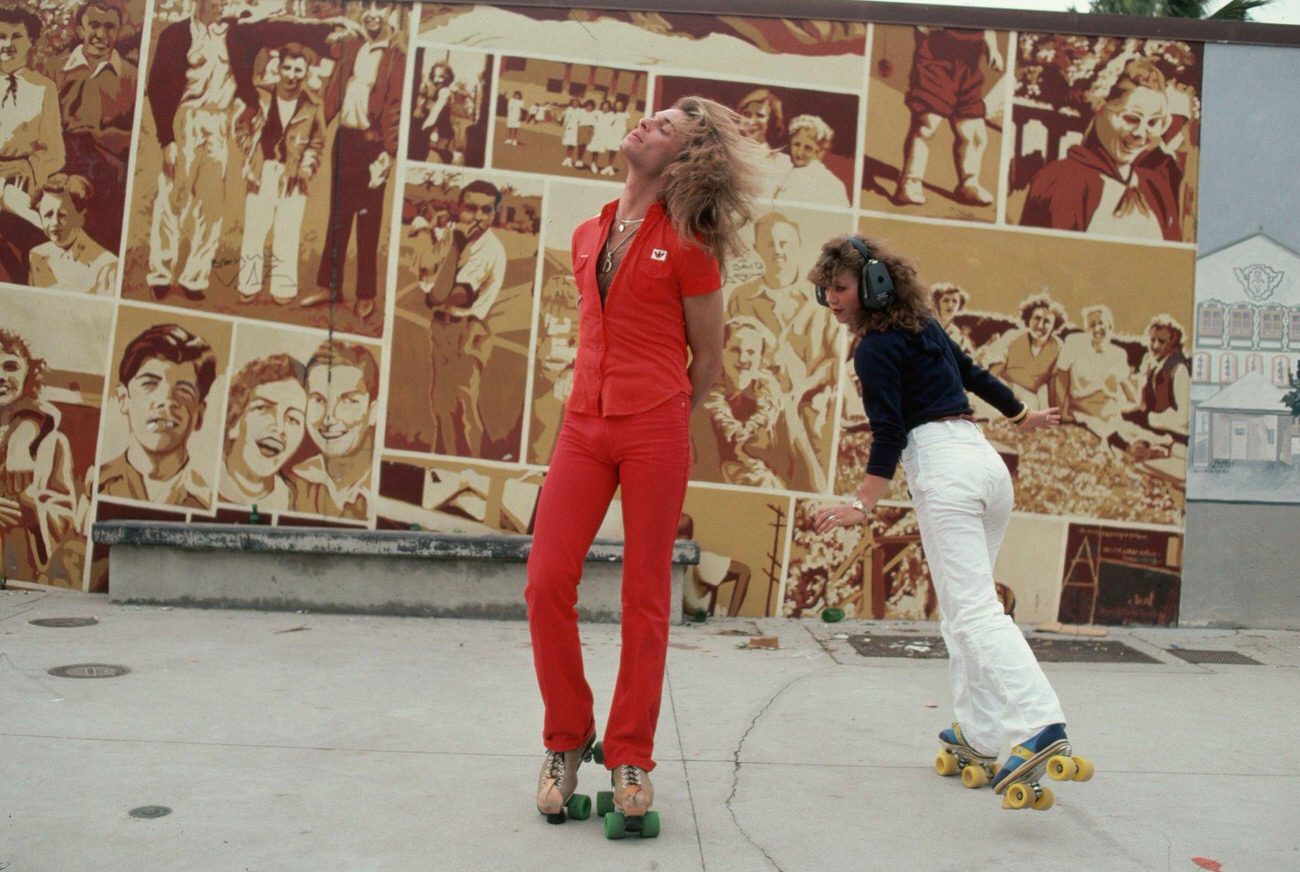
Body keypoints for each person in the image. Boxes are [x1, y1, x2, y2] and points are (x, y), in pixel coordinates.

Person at [525, 96, 764, 834]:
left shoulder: (692, 244)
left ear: (685, 158)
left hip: (654, 427)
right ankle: (568, 738)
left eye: (666, 127)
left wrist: (661, 415)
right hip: (583, 426)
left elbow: (712, 360)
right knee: (544, 582)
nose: (645, 124)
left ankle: (631, 752)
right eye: (652, 116)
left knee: (644, 600)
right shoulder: (587, 231)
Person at [808, 234, 1083, 808]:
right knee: (963, 613)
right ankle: (980, 734)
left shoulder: (874, 349)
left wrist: (861, 506)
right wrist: (1021, 413)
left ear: (875, 284)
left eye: (839, 288)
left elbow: (889, 432)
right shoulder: (923, 327)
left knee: (975, 612)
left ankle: (1039, 724)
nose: (831, 300)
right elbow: (973, 373)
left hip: (944, 472)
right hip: (986, 467)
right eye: (824, 290)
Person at [302, 0, 405, 320]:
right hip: (344, 141)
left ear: (392, 12)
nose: (373, 13)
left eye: (381, 6)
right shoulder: (351, 45)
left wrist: (390, 152)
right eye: (367, 5)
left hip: (374, 146)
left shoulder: (397, 54)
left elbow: (396, 104)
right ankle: (328, 286)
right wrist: (315, 129)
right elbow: (334, 91)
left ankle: (365, 294)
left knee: (368, 219)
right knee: (339, 214)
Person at [1020, 57, 1187, 241]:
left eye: (1153, 123)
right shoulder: (1061, 180)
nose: (1141, 133)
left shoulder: (1156, 186)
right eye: (1131, 119)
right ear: (1101, 110)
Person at [235, 42, 325, 305]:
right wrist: (248, 151)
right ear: (279, 67)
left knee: (287, 231)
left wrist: (306, 167)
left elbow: (317, 142)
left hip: (293, 175)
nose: (292, 75)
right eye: (287, 68)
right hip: (263, 172)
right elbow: (241, 125)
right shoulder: (261, 94)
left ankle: (283, 287)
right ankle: (248, 284)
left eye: (299, 70)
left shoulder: (312, 104)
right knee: (254, 229)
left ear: (307, 72)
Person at [47, 0, 137, 253]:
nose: (101, 35)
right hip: (61, 167)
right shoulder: (54, 69)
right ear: (79, 31)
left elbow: (139, 135)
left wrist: (105, 137)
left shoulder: (132, 77)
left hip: (108, 179)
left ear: (118, 32)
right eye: (93, 25)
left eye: (109, 27)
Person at [98, 324, 217, 508]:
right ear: (123, 398)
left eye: (184, 390)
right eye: (149, 384)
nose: (166, 400)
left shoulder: (210, 501)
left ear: (199, 414)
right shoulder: (93, 488)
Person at [427, 179, 506, 456]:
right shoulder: (451, 238)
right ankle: (445, 456)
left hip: (468, 328)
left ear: (494, 214)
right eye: (471, 208)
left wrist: (455, 247)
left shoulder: (489, 248)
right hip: (441, 326)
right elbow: (431, 291)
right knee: (441, 403)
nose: (479, 217)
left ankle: (472, 461)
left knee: (465, 408)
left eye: (487, 210)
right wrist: (453, 244)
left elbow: (443, 295)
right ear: (459, 208)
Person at [0, 329, 77, 583]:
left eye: (10, 366)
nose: (1, 376)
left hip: (23, 570)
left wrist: (34, 509)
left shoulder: (52, 442)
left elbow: (65, 513)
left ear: (28, 374)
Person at [895, 26, 1003, 207]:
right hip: (936, 58)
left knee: (974, 133)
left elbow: (988, 21)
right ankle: (910, 181)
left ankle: (969, 182)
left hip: (969, 63)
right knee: (927, 125)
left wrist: (992, 48)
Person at [0, 4, 64, 286]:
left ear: (32, 42)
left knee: (41, 242)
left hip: (21, 186)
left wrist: (26, 166)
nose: (7, 44)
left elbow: (56, 153)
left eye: (16, 37)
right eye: (1, 36)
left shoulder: (43, 88)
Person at [290, 340, 378, 519]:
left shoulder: (394, 484)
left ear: (373, 412)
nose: (329, 418)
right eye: (318, 400)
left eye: (348, 400)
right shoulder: (293, 481)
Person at [219, 354, 307, 510]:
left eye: (293, 419)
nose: (279, 427)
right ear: (234, 420)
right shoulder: (201, 483)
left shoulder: (296, 504)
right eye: (263, 408)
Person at [29, 173, 118, 295]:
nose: (55, 222)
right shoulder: (37, 255)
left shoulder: (108, 266)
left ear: (81, 217)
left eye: (63, 215)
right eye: (48, 215)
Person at [980, 291, 1067, 410]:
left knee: (1029, 411)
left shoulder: (1057, 346)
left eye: (1047, 321)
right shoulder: (1013, 337)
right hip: (1003, 385)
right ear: (1029, 319)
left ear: (1054, 326)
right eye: (1037, 318)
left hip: (1029, 394)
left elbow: (1053, 381)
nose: (1040, 325)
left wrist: (1054, 411)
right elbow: (995, 370)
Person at [735, 87, 792, 200]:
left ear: (772, 121)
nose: (752, 122)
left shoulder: (783, 163)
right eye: (747, 115)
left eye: (760, 116)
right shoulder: (729, 155)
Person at [783, 114, 849, 207]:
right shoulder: (782, 169)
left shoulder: (831, 184)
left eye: (808, 148)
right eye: (796, 144)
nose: (799, 153)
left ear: (819, 151)